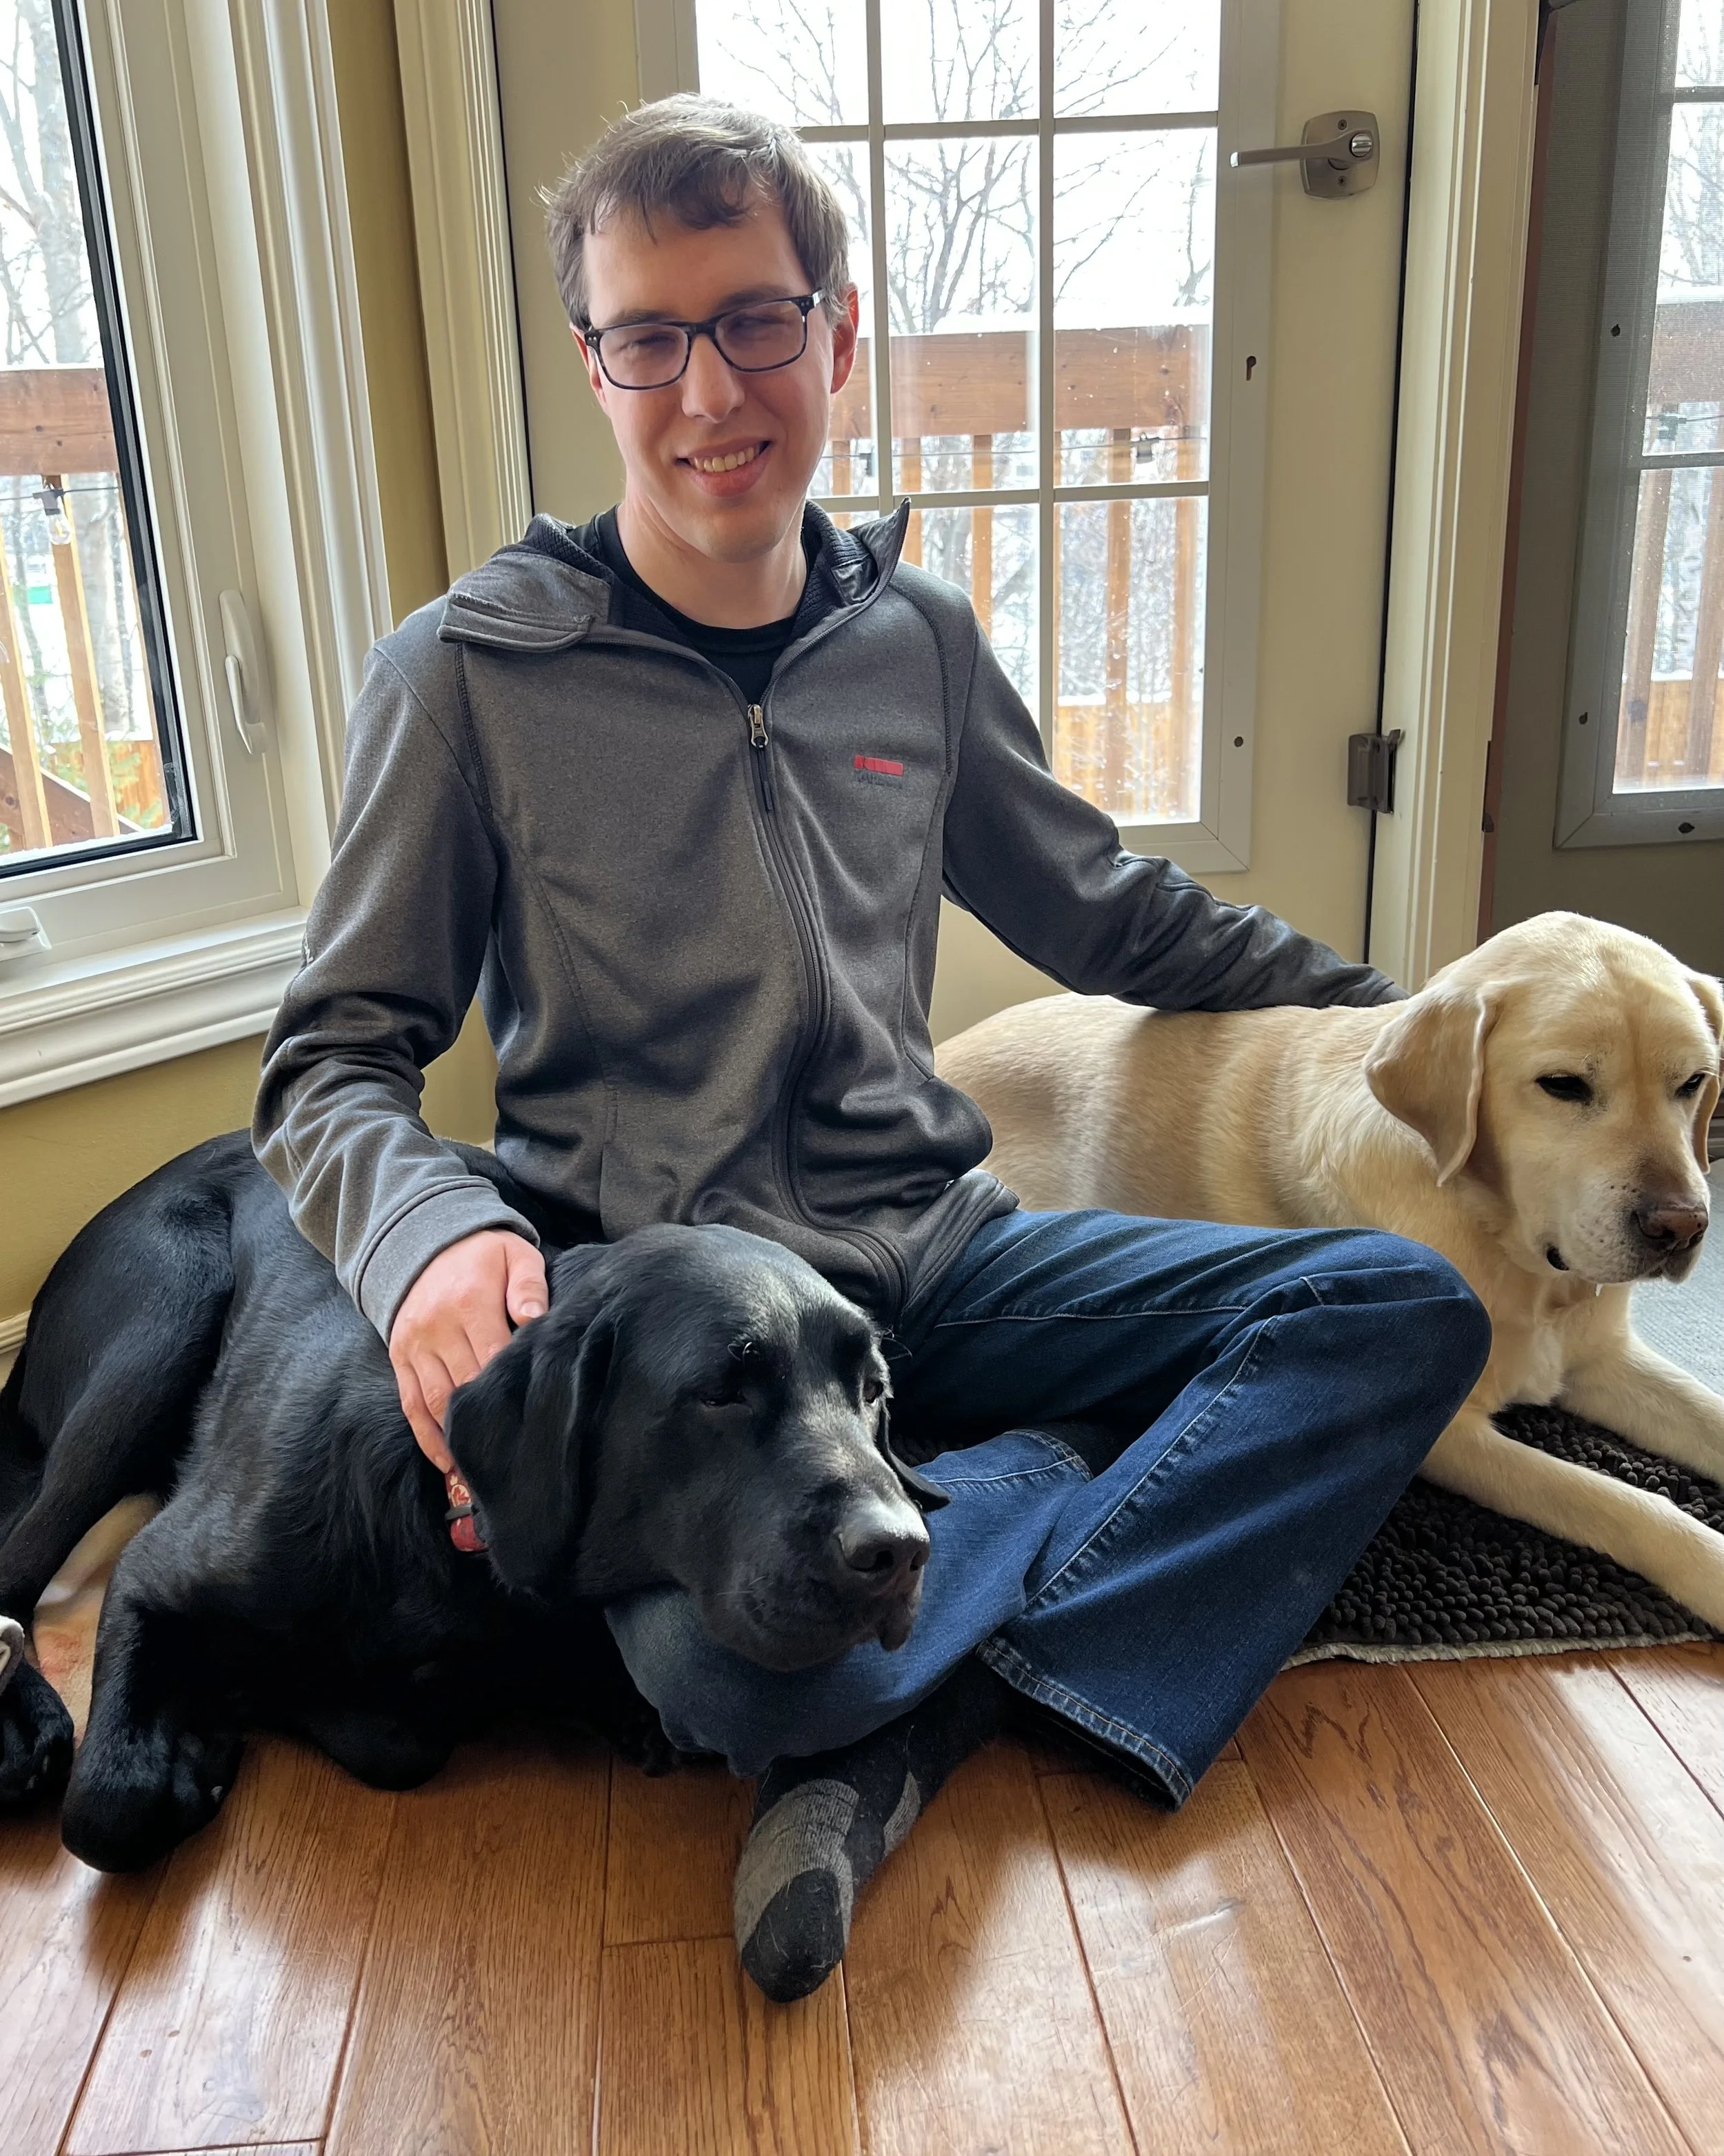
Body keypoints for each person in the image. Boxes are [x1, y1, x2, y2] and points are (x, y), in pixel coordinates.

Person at [254, 95, 1490, 2004]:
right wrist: (420, 1235)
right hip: (685, 1318)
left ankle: (912, 1680)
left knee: (1394, 1315)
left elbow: (1113, 916)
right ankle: (1006, 1545)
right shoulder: (462, 678)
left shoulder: (908, 639)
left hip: (944, 1251)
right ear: (595, 368)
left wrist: (1418, 1024)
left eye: (753, 320)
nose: (706, 389)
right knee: (706, 1662)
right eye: (647, 338)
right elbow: (333, 1058)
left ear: (834, 336)